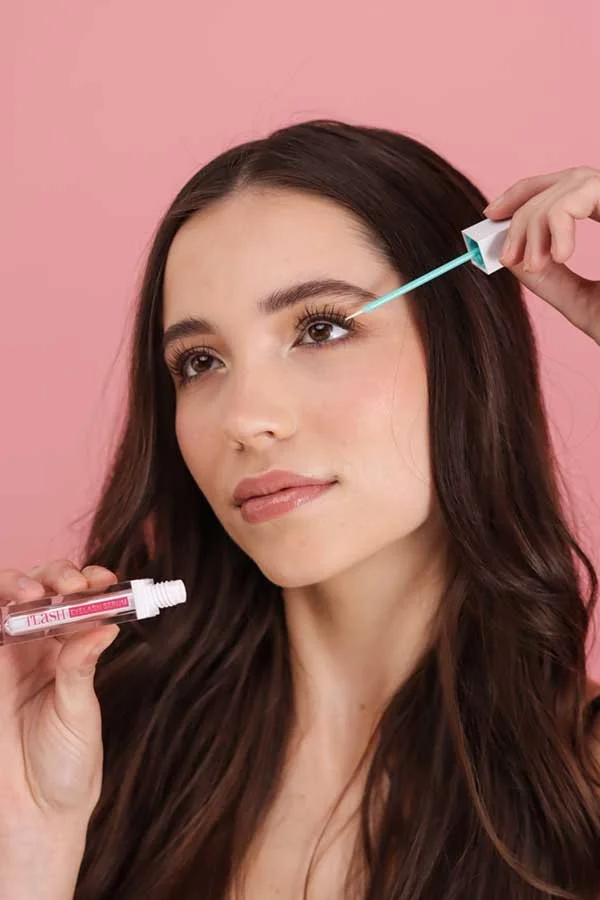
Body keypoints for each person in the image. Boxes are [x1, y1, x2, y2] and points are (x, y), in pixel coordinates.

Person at [1, 120, 599, 900]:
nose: (245, 418)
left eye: (320, 328)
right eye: (200, 362)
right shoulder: (86, 750)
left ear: (466, 351)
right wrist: (31, 854)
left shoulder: (580, 786)